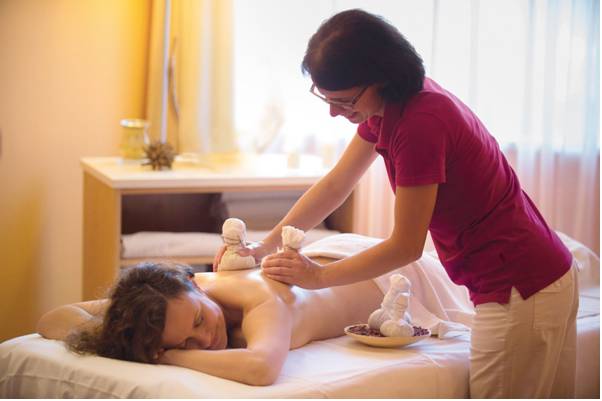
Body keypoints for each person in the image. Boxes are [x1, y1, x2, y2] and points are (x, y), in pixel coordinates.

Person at [214, 9, 579, 398]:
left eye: (344, 100)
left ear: (381, 77)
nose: (335, 112)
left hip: (519, 285)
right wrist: (264, 246)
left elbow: (405, 246)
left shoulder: (421, 123)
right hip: (537, 274)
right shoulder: (387, 107)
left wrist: (318, 278)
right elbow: (337, 184)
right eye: (325, 98)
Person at [37, 259, 382, 386]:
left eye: (200, 319)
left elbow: (261, 368)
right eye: (186, 341)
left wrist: (172, 356)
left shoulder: (258, 298)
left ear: (195, 284)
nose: (205, 339)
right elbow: (52, 319)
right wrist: (123, 340)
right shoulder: (163, 302)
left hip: (384, 277)